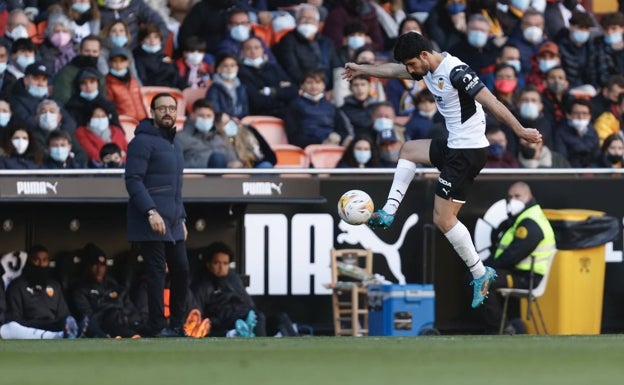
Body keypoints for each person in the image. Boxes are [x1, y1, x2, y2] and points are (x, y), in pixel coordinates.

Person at [342, 31, 542, 308]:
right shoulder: (425, 67)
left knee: (444, 220)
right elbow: (397, 70)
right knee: (409, 150)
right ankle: (388, 212)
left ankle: (480, 272)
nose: (411, 71)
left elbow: (492, 102)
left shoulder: (457, 71)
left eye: (412, 64)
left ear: (424, 55)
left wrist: (520, 130)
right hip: (454, 146)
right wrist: (362, 68)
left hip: (467, 153)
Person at [124, 92, 190, 337]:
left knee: (182, 270)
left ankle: (176, 324)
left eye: (172, 108)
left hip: (173, 221)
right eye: (161, 108)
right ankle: (156, 324)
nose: (167, 112)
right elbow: (133, 180)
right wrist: (150, 212)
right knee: (156, 273)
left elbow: (176, 189)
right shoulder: (141, 142)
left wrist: (181, 217)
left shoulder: (176, 144)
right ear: (152, 113)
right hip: (149, 220)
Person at [475, 181, 556, 334]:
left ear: (529, 196)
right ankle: (500, 326)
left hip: (526, 278)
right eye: (510, 197)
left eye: (518, 196)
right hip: (518, 273)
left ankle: (499, 328)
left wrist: (486, 267)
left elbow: (512, 255)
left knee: (481, 280)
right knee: (477, 277)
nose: (513, 200)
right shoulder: (523, 217)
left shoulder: (530, 222)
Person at [192, 241, 298, 337]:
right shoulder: (201, 285)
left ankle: (297, 349)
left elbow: (249, 304)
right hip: (229, 324)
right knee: (258, 318)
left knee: (280, 318)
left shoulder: (234, 279)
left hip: (250, 318)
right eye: (217, 263)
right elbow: (198, 316)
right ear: (208, 264)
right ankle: (261, 350)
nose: (221, 267)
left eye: (225, 263)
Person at [0, 244, 80, 339]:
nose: (41, 264)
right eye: (36, 260)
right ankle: (57, 336)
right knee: (10, 327)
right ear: (28, 261)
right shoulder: (17, 286)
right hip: (29, 328)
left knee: (67, 321)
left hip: (52, 325)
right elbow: (15, 318)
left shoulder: (55, 286)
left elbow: (64, 315)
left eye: (44, 260)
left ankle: (76, 331)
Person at [71, 243, 143, 338]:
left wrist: (125, 317)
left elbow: (131, 310)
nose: (99, 269)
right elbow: (88, 317)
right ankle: (126, 335)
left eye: (102, 265)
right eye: (95, 265)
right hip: (100, 326)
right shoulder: (81, 290)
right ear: (88, 266)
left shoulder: (114, 286)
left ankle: (128, 334)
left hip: (122, 322)